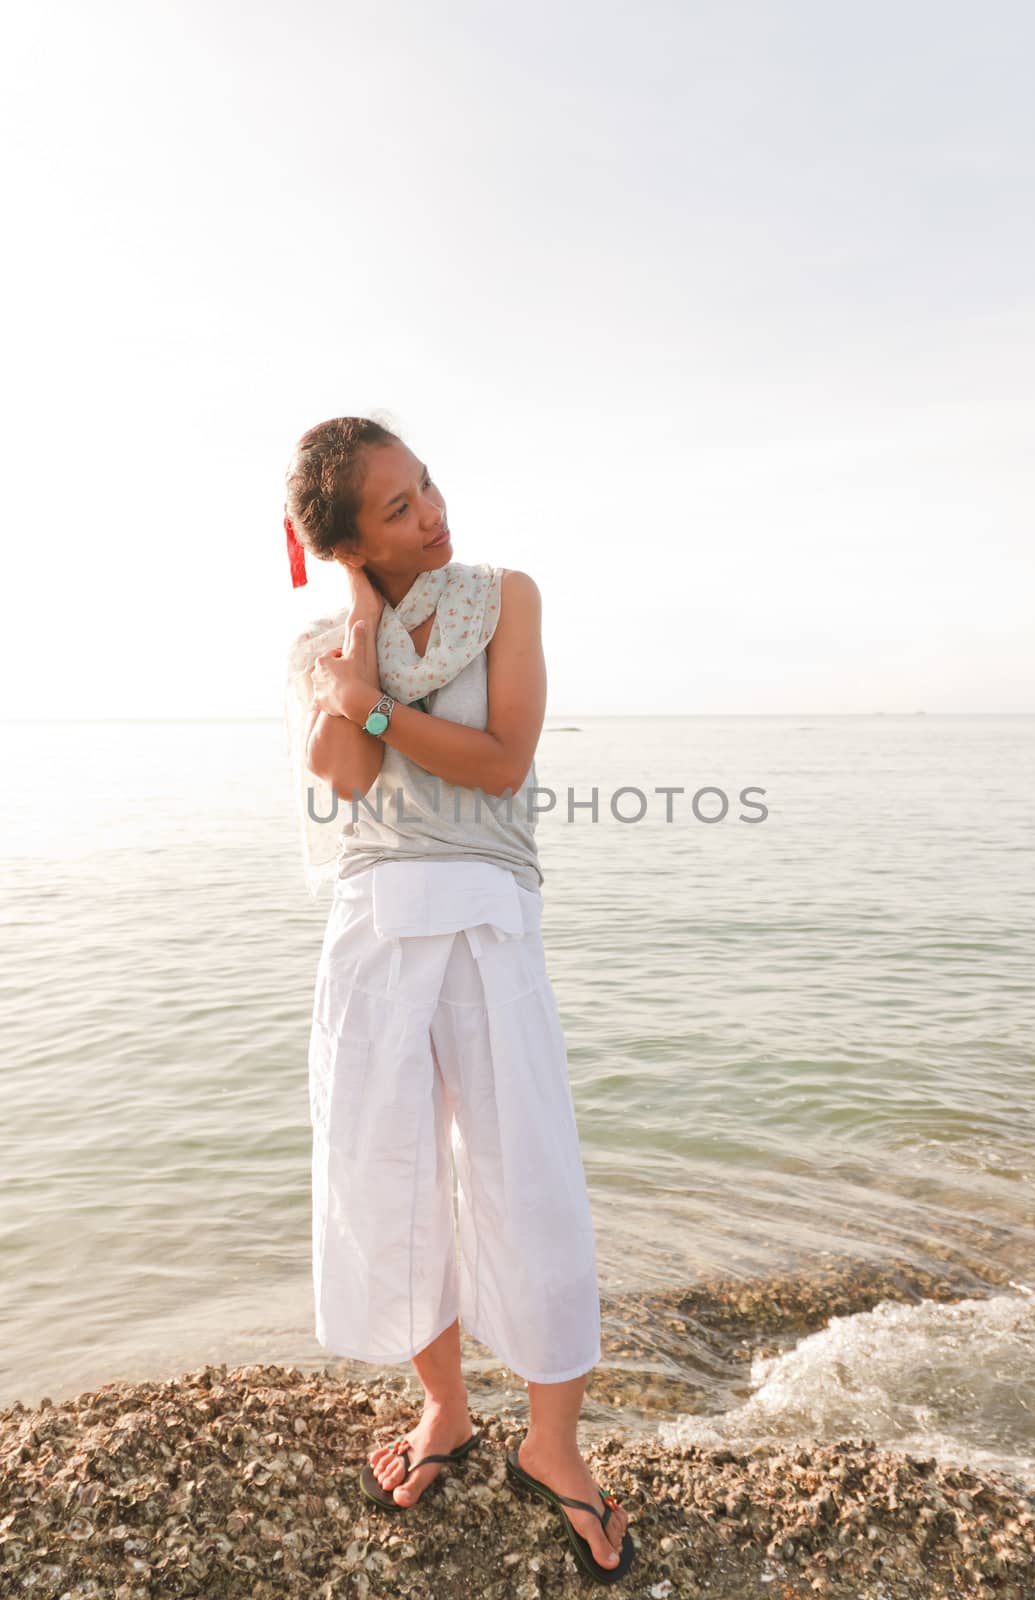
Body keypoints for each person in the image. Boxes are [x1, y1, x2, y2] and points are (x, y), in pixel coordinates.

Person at [283, 418, 634, 1581]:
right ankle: (445, 1411)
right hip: (374, 931)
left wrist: (373, 702)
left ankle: (553, 1445)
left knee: (523, 1172)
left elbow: (498, 760)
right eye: (396, 508)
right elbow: (344, 780)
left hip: (487, 916)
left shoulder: (504, 597)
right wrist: (364, 641)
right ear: (345, 544)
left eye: (424, 483)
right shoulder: (327, 645)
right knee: (389, 1174)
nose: (431, 511)